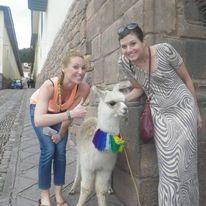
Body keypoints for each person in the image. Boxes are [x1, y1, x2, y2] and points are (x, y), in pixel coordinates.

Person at [117, 22, 203, 206]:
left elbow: (186, 79)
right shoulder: (125, 63)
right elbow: (139, 88)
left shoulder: (165, 50)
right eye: (124, 46)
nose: (128, 50)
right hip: (161, 116)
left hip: (183, 109)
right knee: (169, 170)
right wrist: (119, 100)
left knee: (184, 167)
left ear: (144, 41)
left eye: (133, 44)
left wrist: (196, 112)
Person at [29, 50, 90, 206]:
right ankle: (44, 197)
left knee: (61, 152)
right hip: (40, 111)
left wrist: (61, 133)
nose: (80, 72)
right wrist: (69, 114)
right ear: (63, 68)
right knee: (49, 150)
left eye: (83, 68)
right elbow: (39, 120)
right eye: (75, 67)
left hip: (61, 113)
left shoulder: (84, 89)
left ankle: (58, 195)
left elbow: (70, 115)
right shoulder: (49, 86)